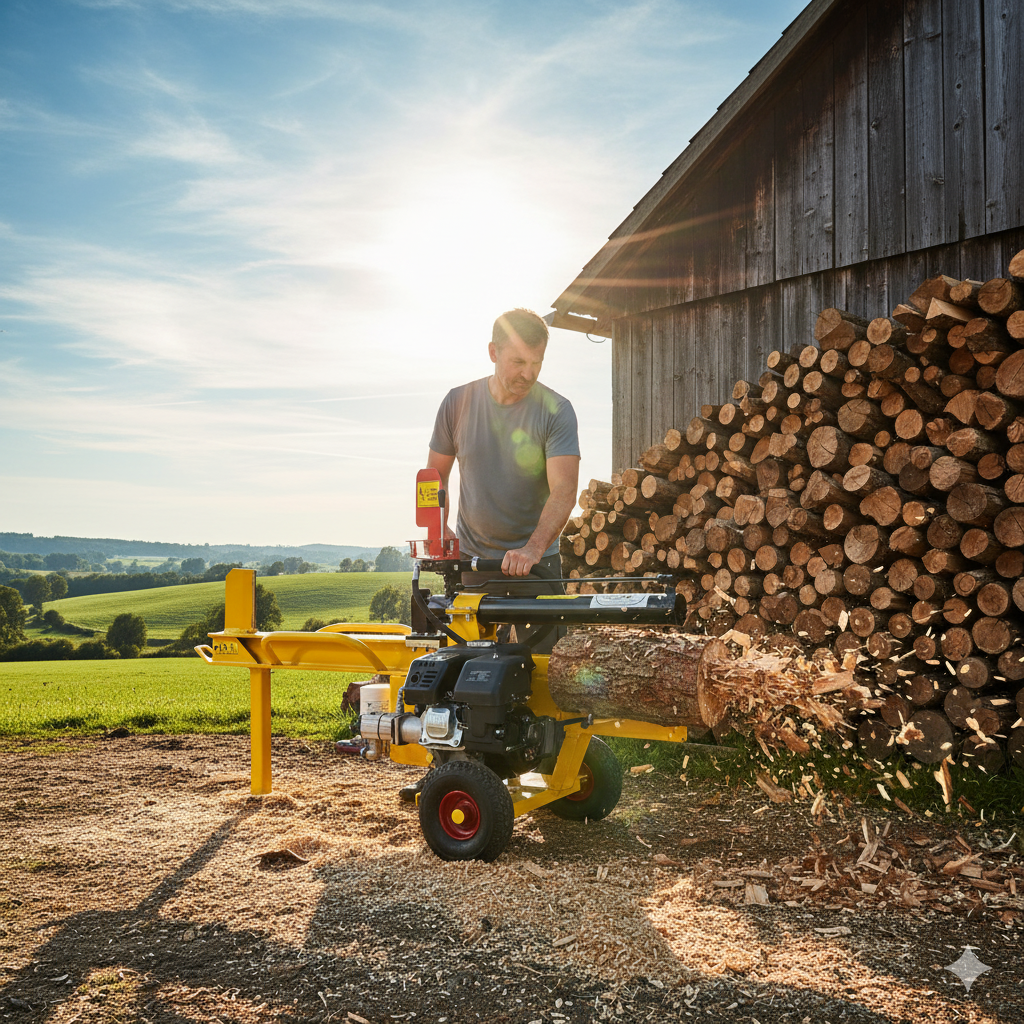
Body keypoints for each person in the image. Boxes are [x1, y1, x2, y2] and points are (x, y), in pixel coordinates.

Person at [399, 308, 580, 802]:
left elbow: (564, 491)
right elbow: (434, 478)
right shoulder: (458, 403)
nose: (528, 373)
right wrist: (440, 543)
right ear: (493, 352)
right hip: (474, 564)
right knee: (463, 670)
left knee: (543, 674)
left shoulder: (555, 410)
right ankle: (456, 773)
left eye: (537, 363)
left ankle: (547, 771)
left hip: (533, 566)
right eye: (518, 361)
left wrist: (533, 548)